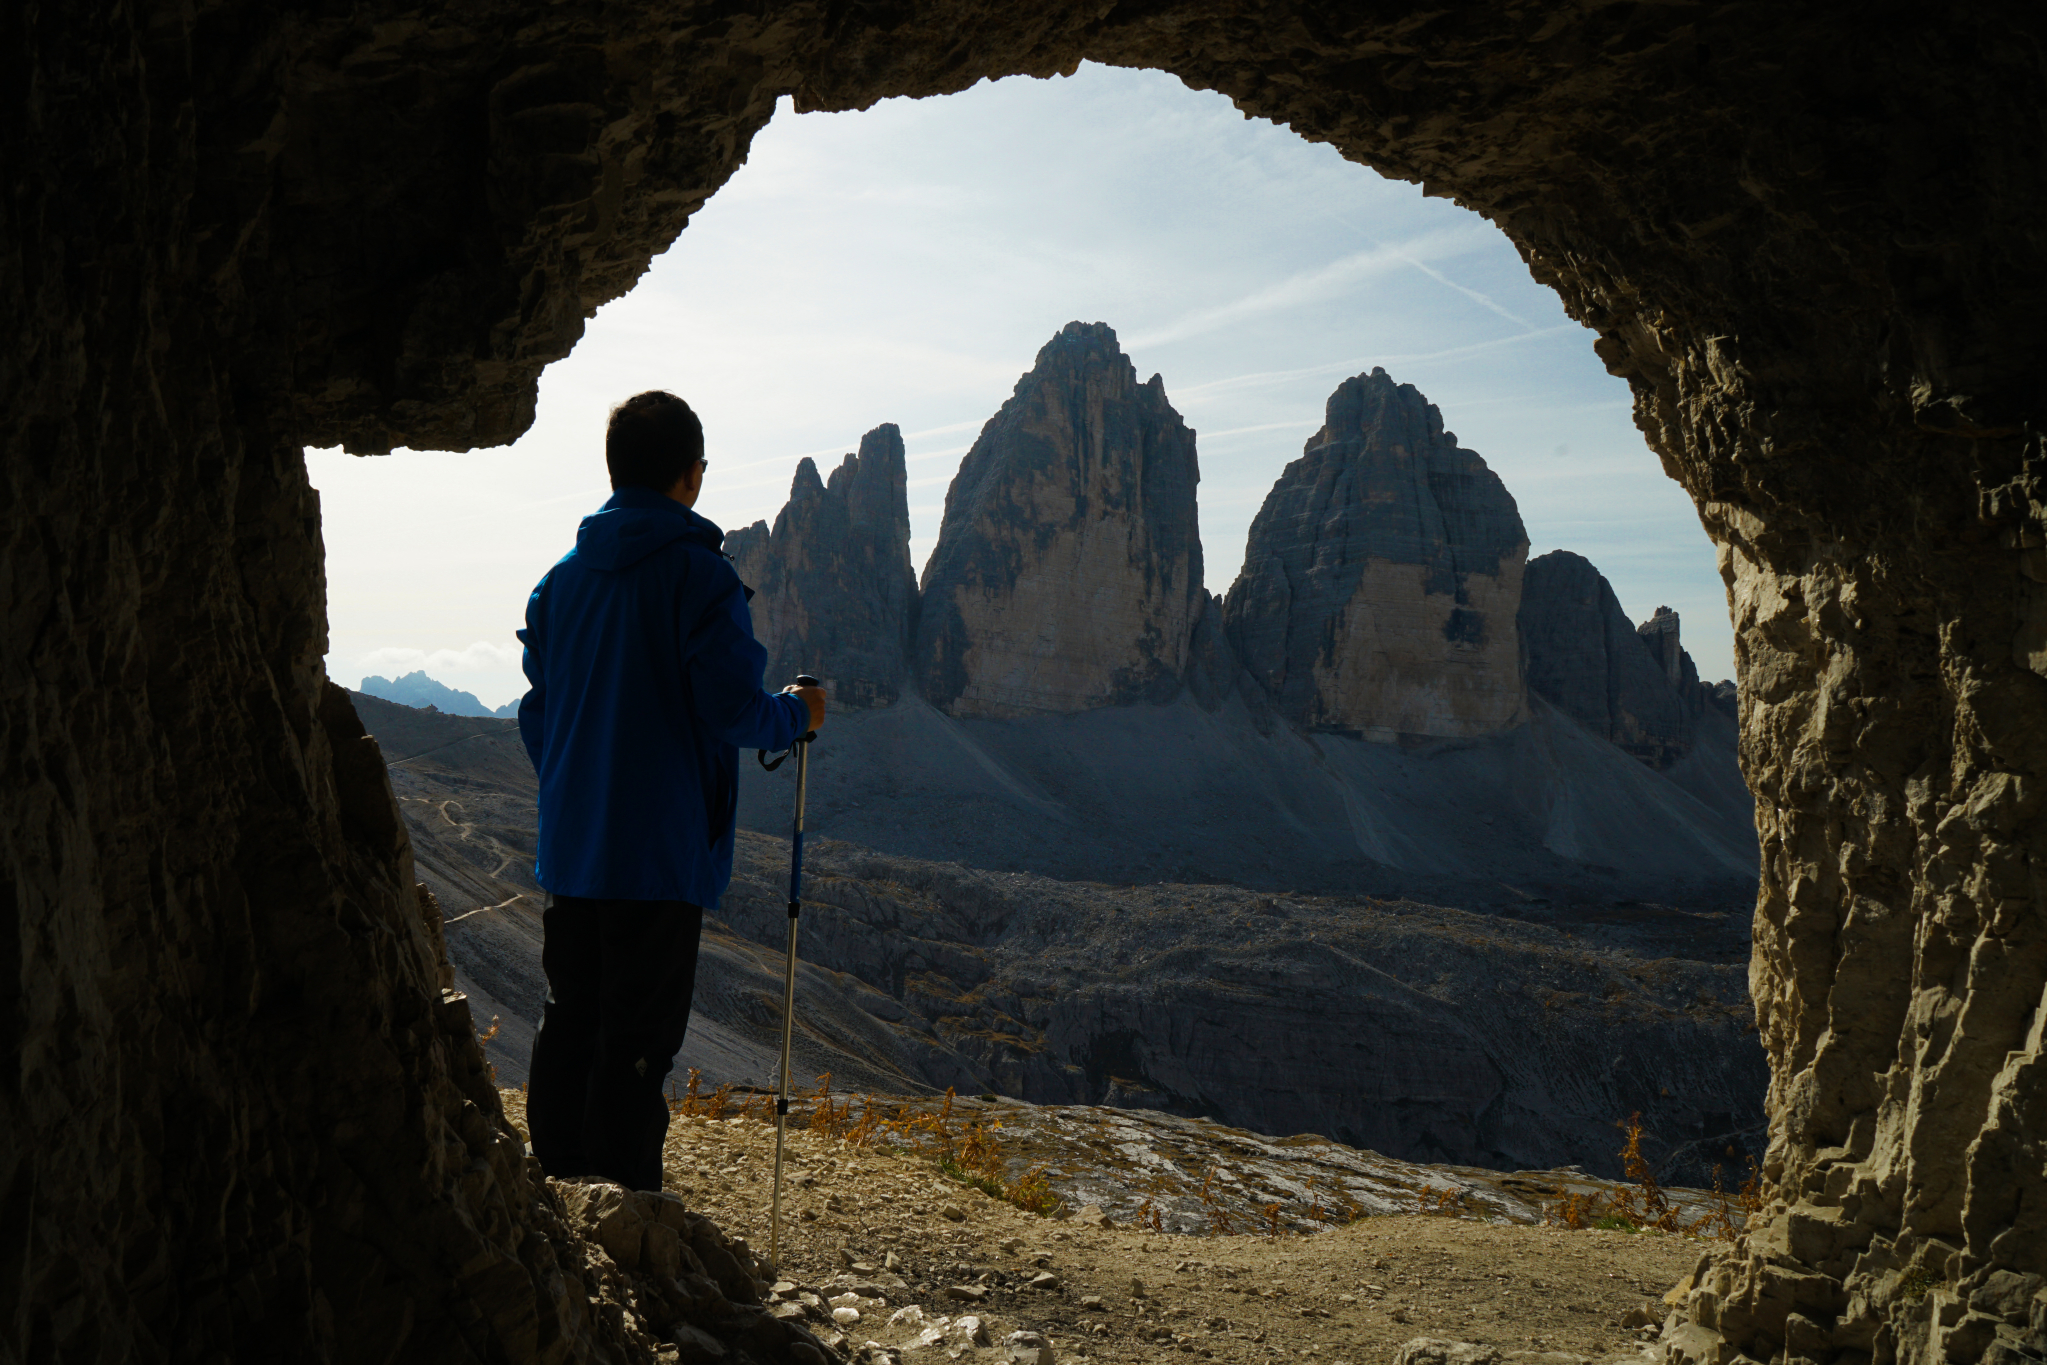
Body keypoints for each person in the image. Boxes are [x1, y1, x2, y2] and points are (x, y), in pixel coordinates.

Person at [515, 390, 826, 1192]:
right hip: (657, 855)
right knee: (638, 1037)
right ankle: (624, 1206)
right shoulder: (702, 577)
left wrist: (575, 786)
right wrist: (797, 714)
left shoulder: (558, 583)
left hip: (574, 847)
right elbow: (730, 710)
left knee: (570, 1013)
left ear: (615, 470)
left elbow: (539, 714)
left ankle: (553, 1187)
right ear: (692, 476)